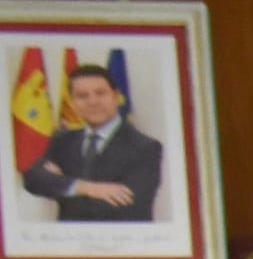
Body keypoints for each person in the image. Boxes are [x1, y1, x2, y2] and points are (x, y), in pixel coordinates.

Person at [20, 54, 160, 222]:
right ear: (72, 101)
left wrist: (59, 184)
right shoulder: (62, 140)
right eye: (82, 96)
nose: (92, 102)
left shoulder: (146, 147)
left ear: (116, 96)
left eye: (100, 93)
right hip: (68, 243)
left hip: (123, 242)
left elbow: (121, 205)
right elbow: (32, 180)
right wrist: (84, 187)